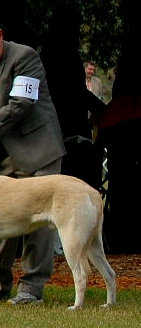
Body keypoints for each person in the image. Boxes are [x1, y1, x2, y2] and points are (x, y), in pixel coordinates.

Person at [0, 14, 66, 304]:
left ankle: (31, 289)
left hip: (39, 150)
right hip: (4, 155)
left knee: (39, 222)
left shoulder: (25, 56)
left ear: (0, 35)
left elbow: (21, 105)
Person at [40, 6, 105, 190]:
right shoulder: (60, 53)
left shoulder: (54, 51)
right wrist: (102, 109)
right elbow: (73, 90)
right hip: (64, 130)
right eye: (75, 27)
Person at [97, 5, 141, 254]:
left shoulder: (127, 56)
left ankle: (122, 235)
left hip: (119, 127)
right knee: (122, 186)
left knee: (120, 186)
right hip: (123, 126)